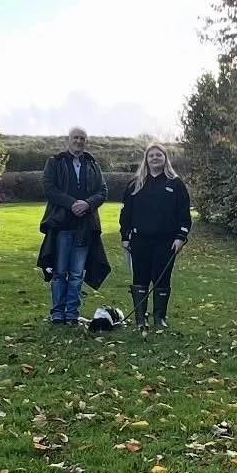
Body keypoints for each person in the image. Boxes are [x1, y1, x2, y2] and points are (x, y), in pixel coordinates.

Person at [38, 127, 110, 323]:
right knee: (60, 271)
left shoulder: (93, 165)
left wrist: (87, 204)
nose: (79, 141)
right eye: (75, 138)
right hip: (62, 225)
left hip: (85, 227)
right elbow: (49, 188)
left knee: (77, 273)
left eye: (82, 138)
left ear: (86, 142)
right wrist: (72, 204)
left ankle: (72, 313)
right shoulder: (55, 162)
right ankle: (57, 313)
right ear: (67, 140)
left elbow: (103, 191)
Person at [120, 143, 191, 332]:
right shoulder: (135, 184)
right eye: (151, 155)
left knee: (162, 279)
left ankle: (159, 317)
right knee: (140, 278)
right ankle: (140, 318)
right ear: (146, 159)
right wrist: (124, 236)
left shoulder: (176, 184)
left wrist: (181, 237)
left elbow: (184, 213)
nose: (155, 158)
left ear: (165, 158)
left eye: (158, 155)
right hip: (140, 240)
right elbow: (126, 213)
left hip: (166, 242)